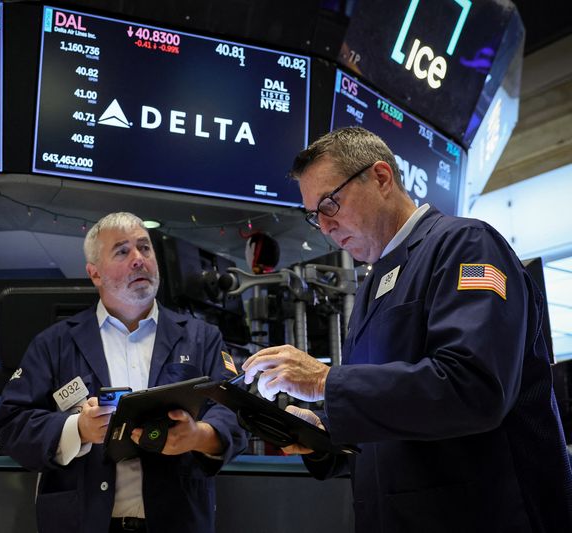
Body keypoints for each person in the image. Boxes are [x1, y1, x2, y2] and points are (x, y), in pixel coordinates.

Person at [243, 127, 572, 532]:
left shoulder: (468, 246)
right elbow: (393, 420)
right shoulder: (371, 288)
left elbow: (475, 388)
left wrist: (327, 382)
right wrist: (325, 436)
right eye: (314, 216)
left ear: (381, 178)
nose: (325, 227)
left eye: (330, 203)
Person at [0, 212, 246, 533]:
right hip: (82, 522)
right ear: (95, 274)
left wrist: (199, 436)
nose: (139, 259)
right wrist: (78, 430)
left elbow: (236, 414)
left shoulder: (201, 337)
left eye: (144, 248)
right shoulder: (54, 343)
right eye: (122, 251)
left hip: (178, 521)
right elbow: (12, 424)